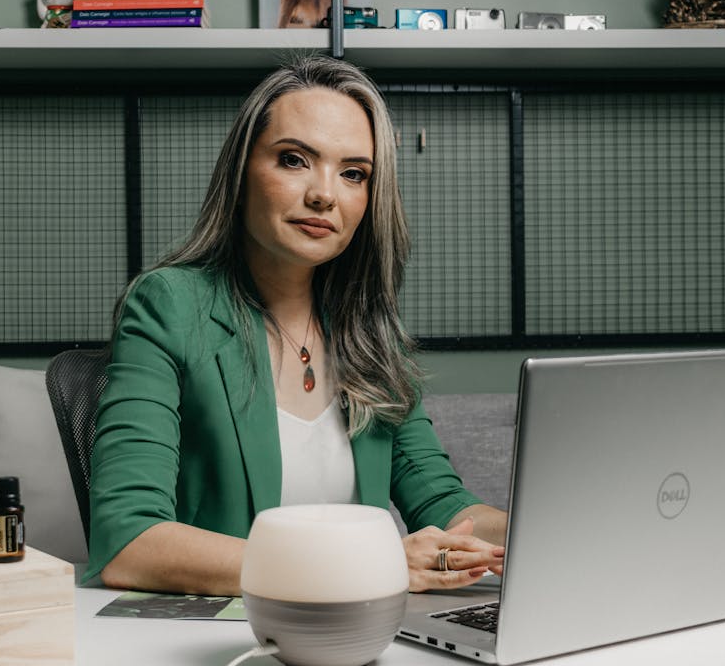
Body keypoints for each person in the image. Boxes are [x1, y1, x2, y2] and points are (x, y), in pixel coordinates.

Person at [83, 56, 506, 596]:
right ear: (242, 172)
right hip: (219, 643)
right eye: (294, 160)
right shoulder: (169, 305)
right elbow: (129, 542)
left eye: (353, 174)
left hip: (362, 633)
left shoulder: (367, 329)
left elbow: (448, 507)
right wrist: (365, 563)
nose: (324, 194)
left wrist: (542, 534)